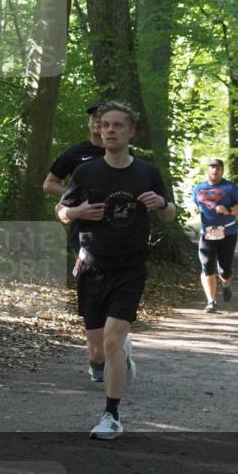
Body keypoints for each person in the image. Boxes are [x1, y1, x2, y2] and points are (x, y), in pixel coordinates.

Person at [57, 102, 175, 439]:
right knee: (97, 351)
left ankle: (111, 415)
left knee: (111, 342)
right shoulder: (86, 172)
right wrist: (77, 211)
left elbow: (170, 214)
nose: (108, 130)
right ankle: (115, 359)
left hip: (130, 268)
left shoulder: (146, 172)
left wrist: (162, 204)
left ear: (131, 131)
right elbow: (61, 212)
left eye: (117, 126)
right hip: (92, 266)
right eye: (104, 125)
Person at [44, 100, 125, 384]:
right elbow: (49, 183)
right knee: (92, 290)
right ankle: (100, 354)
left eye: (102, 119)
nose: (97, 124)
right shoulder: (75, 154)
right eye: (94, 119)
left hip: (119, 233)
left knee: (116, 289)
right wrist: (74, 196)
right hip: (83, 233)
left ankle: (113, 341)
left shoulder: (122, 154)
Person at [192, 159, 238, 313]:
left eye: (218, 168)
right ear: (208, 170)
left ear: (222, 171)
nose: (214, 171)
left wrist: (229, 211)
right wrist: (195, 208)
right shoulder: (198, 187)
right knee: (207, 266)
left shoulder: (230, 187)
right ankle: (211, 301)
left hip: (227, 232)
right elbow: (194, 203)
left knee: (224, 270)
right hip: (207, 232)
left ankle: (226, 284)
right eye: (212, 168)